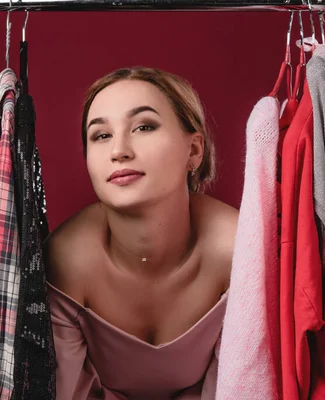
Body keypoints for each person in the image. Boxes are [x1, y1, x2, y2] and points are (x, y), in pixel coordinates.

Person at [44, 67, 239, 399]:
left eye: (143, 127)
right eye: (101, 135)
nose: (118, 150)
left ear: (193, 151)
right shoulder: (66, 259)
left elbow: (245, 385)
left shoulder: (237, 248)